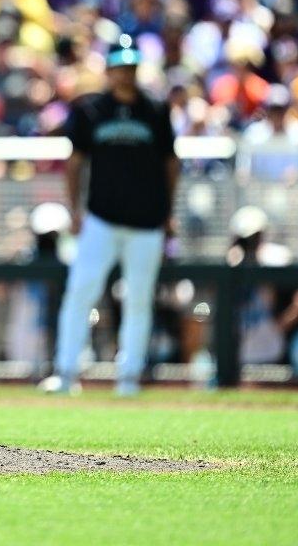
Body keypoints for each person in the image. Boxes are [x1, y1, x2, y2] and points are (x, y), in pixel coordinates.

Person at [39, 36, 178, 396]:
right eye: (119, 68)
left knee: (139, 298)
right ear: (109, 70)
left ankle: (129, 376)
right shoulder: (89, 111)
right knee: (81, 291)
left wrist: (168, 211)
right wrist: (74, 209)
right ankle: (67, 372)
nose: (125, 75)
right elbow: (74, 164)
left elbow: (170, 163)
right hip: (100, 218)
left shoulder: (156, 110)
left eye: (130, 68)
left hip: (146, 221)